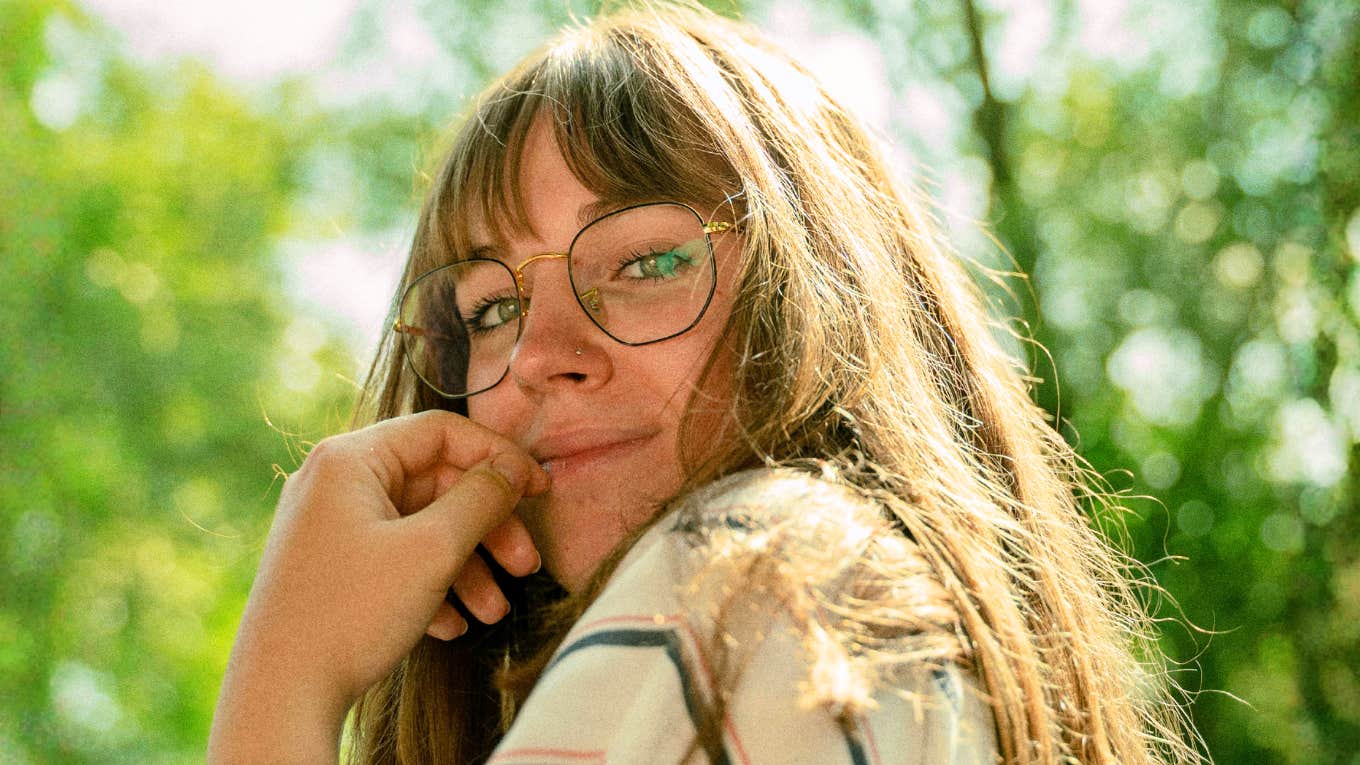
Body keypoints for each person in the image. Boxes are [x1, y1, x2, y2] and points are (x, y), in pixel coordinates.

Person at [208, 3, 1206, 763]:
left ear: (822, 288)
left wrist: (282, 677)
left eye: (643, 263)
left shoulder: (749, 578)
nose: (543, 349)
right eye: (489, 310)